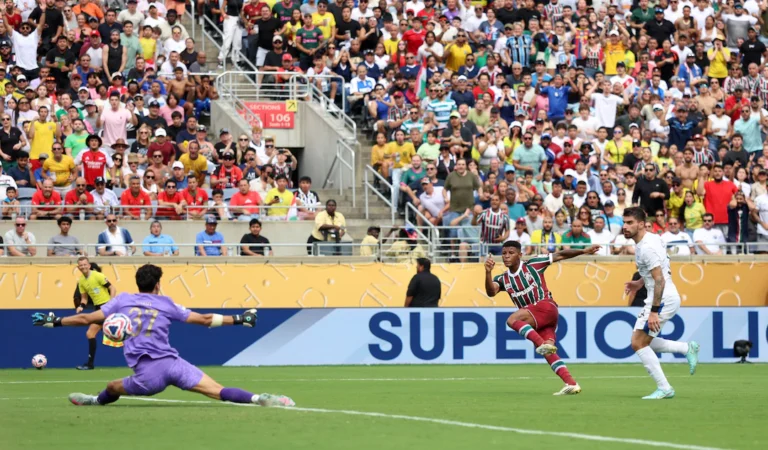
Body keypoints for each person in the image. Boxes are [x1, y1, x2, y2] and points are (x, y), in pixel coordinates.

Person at [33, 263, 295, 408]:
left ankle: (94, 401)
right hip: (174, 364)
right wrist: (239, 319)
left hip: (148, 375)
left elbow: (86, 318)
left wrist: (53, 321)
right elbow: (203, 320)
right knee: (219, 391)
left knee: (112, 387)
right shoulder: (167, 303)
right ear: (157, 284)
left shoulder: (122, 300)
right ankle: (259, 398)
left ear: (138, 283)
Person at [484, 240, 600, 395]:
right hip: (540, 321)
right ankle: (571, 383)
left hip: (546, 307)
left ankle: (540, 344)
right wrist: (487, 272)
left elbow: (561, 254)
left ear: (520, 254)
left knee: (512, 320)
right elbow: (491, 292)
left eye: (511, 253)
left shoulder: (533, 265)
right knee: (548, 352)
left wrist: (584, 251)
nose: (506, 256)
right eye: (504, 253)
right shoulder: (503, 279)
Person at [622, 207, 699, 399]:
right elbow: (658, 271)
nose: (625, 226)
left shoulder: (647, 247)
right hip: (661, 295)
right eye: (624, 222)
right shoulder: (651, 239)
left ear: (641, 224)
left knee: (638, 343)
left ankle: (665, 388)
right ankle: (685, 348)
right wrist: (638, 283)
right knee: (643, 342)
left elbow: (659, 280)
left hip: (663, 297)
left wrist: (654, 311)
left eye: (629, 222)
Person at [72, 255, 117, 370]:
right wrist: (81, 306)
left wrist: (111, 303)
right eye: (81, 265)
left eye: (85, 265)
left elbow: (113, 289)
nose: (83, 267)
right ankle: (90, 364)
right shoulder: (81, 281)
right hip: (98, 308)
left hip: (107, 307)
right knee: (91, 334)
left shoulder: (98, 276)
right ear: (78, 267)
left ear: (89, 265)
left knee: (121, 335)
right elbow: (84, 298)